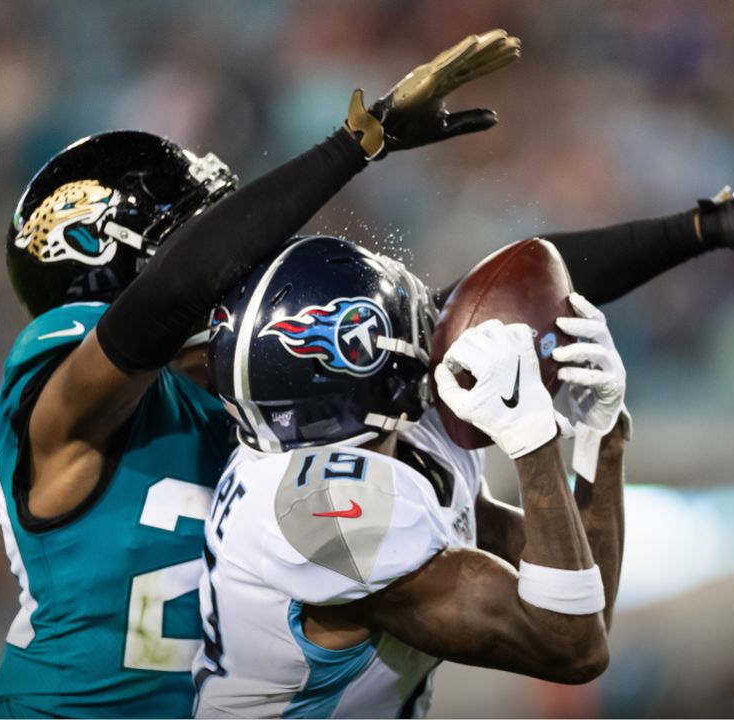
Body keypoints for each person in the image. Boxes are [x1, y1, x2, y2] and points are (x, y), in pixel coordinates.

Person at [0, 31, 522, 718]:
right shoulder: (64, 391)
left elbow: (479, 298)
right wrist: (356, 143)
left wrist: (692, 231)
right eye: (202, 229)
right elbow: (169, 298)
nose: (246, 249)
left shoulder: (263, 376)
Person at [197, 235, 630, 717]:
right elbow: (571, 649)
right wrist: (534, 442)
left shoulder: (401, 441)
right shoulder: (323, 511)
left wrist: (602, 440)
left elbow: (582, 600)